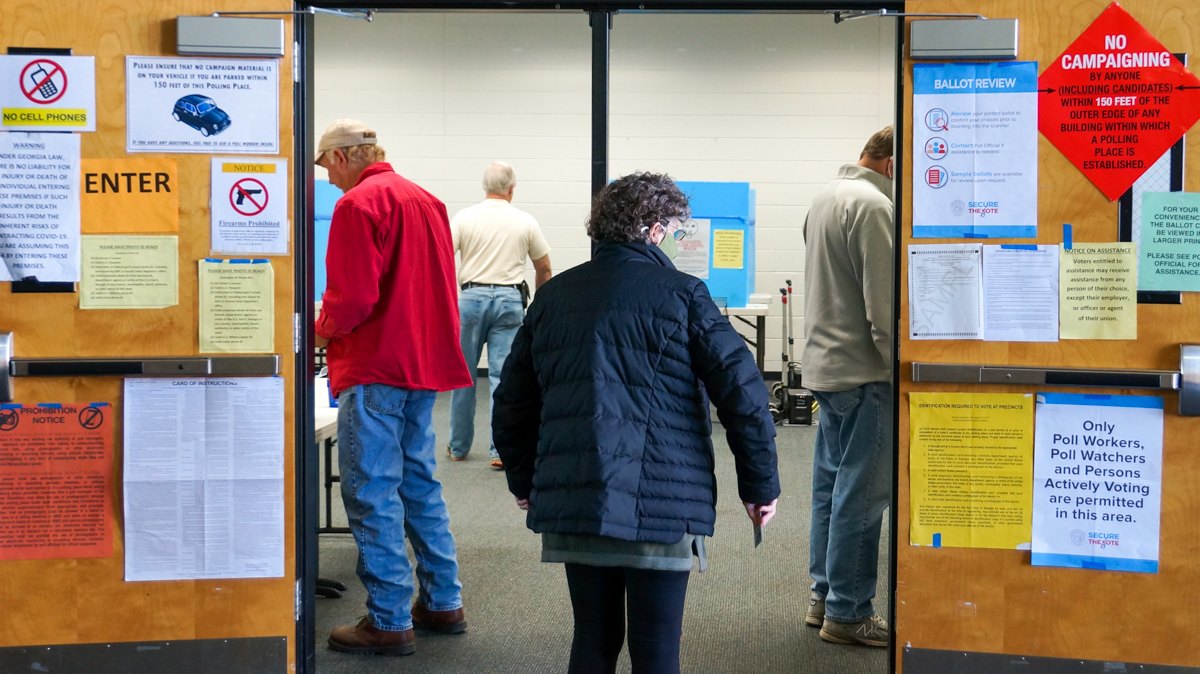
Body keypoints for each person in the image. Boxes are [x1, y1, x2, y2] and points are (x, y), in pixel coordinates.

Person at [493, 172, 781, 674]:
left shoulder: (554, 297)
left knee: (592, 640)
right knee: (656, 647)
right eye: (669, 228)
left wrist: (526, 480)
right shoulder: (684, 294)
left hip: (576, 497)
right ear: (652, 230)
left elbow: (512, 402)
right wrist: (759, 486)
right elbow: (744, 395)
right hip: (664, 498)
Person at [314, 118, 474, 656]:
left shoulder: (358, 205)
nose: (328, 180)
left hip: (376, 363)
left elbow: (353, 299)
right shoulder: (426, 200)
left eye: (325, 167)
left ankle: (387, 620)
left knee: (371, 491)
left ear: (340, 157)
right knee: (419, 485)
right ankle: (443, 602)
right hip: (423, 363)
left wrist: (318, 330)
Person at [801, 125, 895, 648]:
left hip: (827, 371)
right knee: (862, 496)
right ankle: (849, 612)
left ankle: (824, 597)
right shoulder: (874, 206)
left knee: (832, 491)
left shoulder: (825, 197)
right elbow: (882, 309)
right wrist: (900, 368)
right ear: (889, 164)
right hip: (865, 375)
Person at [448, 161, 552, 469]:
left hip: (470, 300)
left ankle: (459, 448)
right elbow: (544, 267)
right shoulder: (525, 221)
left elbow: (442, 256)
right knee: (503, 378)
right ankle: (500, 450)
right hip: (509, 301)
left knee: (463, 376)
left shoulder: (464, 218)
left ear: (484, 186)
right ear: (511, 188)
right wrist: (539, 307)